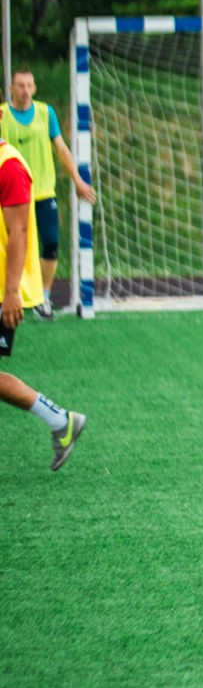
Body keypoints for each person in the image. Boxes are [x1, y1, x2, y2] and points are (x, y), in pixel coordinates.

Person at [0, 135, 86, 469]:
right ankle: (60, 421)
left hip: (4, 290)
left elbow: (19, 233)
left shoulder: (10, 167)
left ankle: (60, 420)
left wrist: (11, 293)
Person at [1, 69, 97, 321]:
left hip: (42, 192)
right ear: (11, 89)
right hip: (12, 196)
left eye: (29, 85)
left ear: (34, 88)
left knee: (51, 243)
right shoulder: (3, 114)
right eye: (20, 85)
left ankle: (42, 297)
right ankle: (10, 296)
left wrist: (78, 180)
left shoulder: (46, 113)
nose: (24, 90)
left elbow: (61, 148)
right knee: (10, 247)